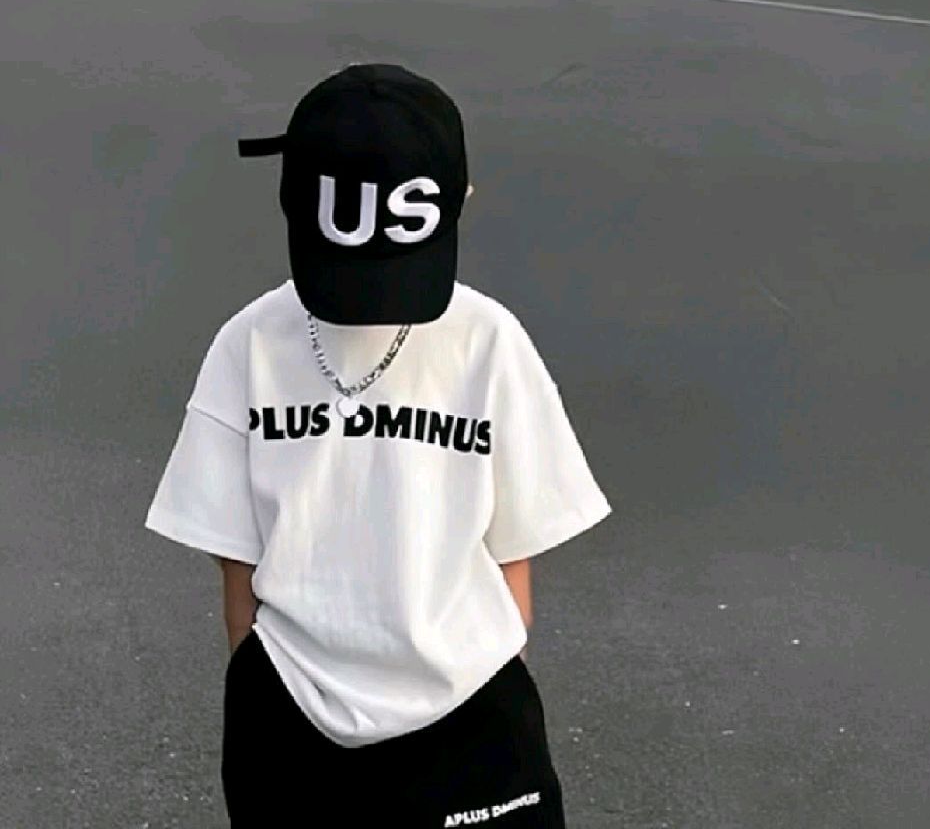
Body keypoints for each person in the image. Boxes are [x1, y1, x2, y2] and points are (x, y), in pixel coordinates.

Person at [144, 62, 613, 827]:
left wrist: (259, 690)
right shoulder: (487, 339)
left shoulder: (251, 341)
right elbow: (514, 556)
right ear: (461, 198)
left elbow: (238, 573)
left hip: (341, 716)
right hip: (431, 713)